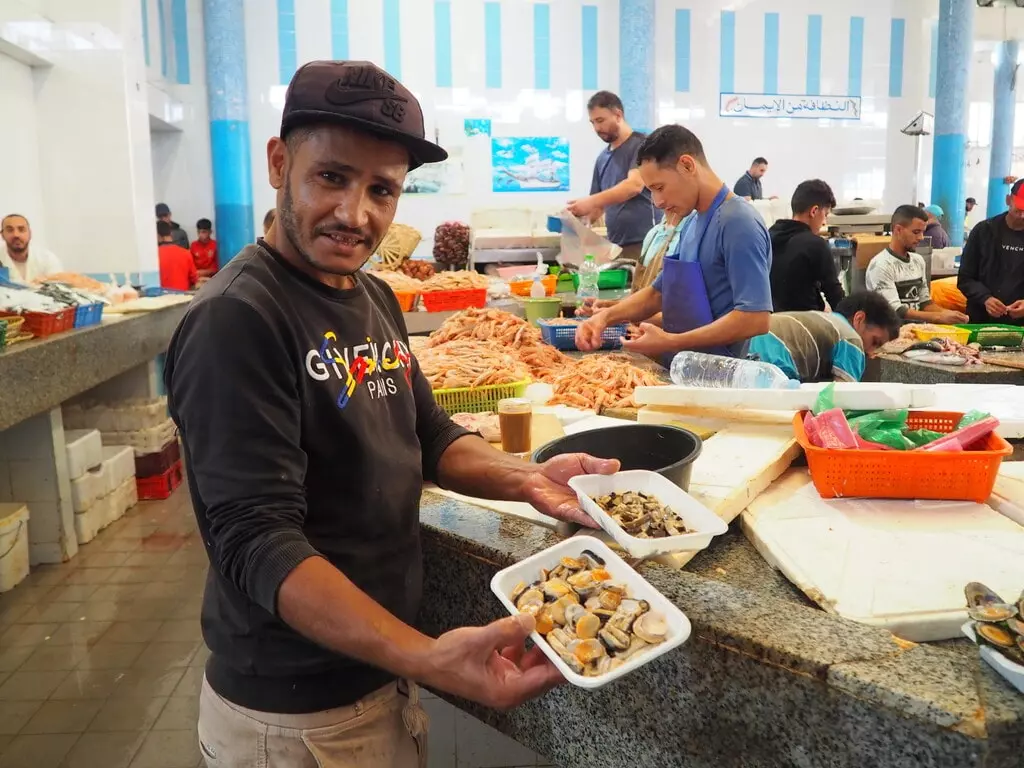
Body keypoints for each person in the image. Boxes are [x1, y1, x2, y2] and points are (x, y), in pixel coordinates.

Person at [164, 60, 618, 767]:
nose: (357, 214)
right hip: (294, 719)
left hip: (376, 685)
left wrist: (524, 476)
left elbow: (430, 437)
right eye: (332, 178)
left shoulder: (370, 296)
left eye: (383, 190)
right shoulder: (238, 320)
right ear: (279, 162)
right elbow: (258, 542)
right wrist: (429, 657)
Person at [576, 124, 772, 360]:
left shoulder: (738, 222)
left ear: (687, 165)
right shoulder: (690, 222)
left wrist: (672, 341)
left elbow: (755, 318)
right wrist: (604, 317)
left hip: (719, 380)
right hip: (684, 369)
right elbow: (658, 293)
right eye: (651, 191)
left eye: (660, 188)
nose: (657, 202)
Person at [565, 91, 661, 262]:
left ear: (618, 115)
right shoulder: (602, 159)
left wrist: (591, 201)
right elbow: (596, 209)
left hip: (645, 244)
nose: (596, 128)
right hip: (616, 247)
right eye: (593, 122)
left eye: (600, 121)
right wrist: (575, 219)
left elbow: (633, 186)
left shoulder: (642, 146)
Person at [748, 292, 900, 383]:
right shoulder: (851, 339)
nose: (872, 353)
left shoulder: (825, 321)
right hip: (775, 364)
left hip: (747, 348)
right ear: (859, 319)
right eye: (875, 342)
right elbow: (843, 398)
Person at [865, 205, 967, 325]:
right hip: (892, 334)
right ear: (898, 230)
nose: (921, 237)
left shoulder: (918, 261)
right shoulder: (881, 265)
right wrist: (938, 317)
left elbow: (925, 303)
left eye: (923, 232)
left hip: (919, 331)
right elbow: (896, 310)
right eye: (916, 232)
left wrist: (949, 314)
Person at [768, 179, 843, 312]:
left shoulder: (769, 236)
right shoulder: (815, 244)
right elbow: (835, 297)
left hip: (770, 325)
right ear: (814, 211)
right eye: (825, 215)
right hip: (803, 325)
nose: (824, 222)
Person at [958, 179, 1024, 325]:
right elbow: (965, 278)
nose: (1022, 216)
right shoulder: (984, 231)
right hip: (981, 320)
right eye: (1018, 210)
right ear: (1008, 200)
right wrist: (985, 298)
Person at [0, 214, 62, 282]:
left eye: (21, 229)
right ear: (2, 235)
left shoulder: (48, 259)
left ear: (30, 233)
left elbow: (59, 288)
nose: (16, 234)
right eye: (10, 230)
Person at [158, 220, 198, 291]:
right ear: (170, 233)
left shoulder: (154, 256)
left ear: (157, 235)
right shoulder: (186, 253)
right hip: (183, 298)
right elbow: (194, 279)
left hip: (162, 299)